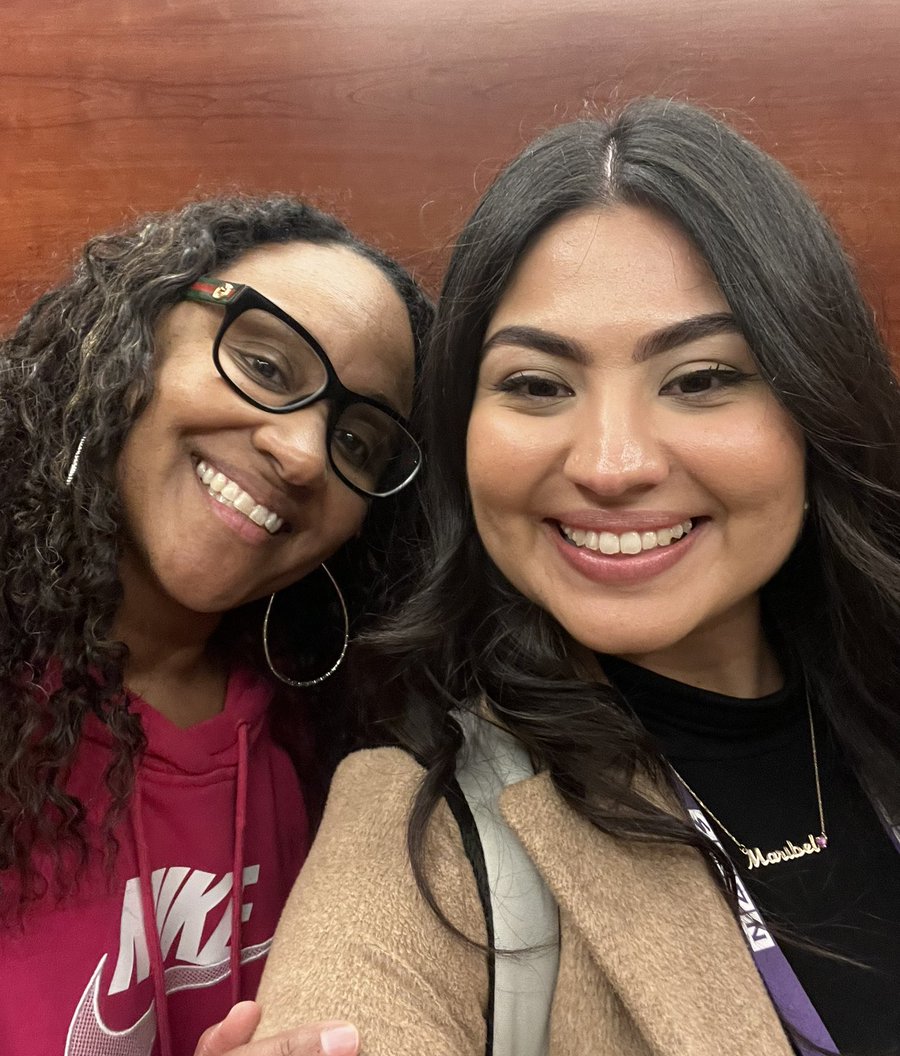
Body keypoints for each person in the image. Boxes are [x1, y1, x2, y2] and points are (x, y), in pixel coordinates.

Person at [255, 100, 900, 1055]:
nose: (611, 463)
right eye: (536, 385)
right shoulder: (416, 832)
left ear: (816, 403)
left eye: (699, 378)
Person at [0, 195, 431, 1056]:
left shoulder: (339, 739)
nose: (304, 453)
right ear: (128, 341)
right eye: (267, 368)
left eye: (356, 443)